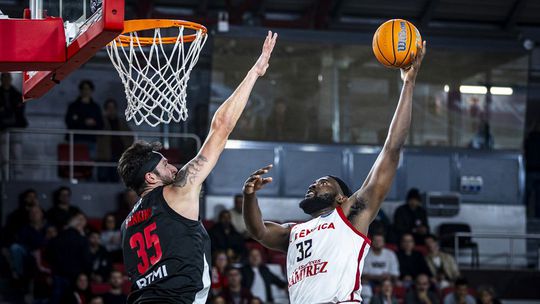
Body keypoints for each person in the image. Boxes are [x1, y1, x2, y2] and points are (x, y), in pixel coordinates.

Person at [242, 42, 426, 303]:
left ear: (342, 197)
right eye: (315, 183)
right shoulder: (294, 232)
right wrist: (249, 196)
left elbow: (391, 149)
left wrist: (408, 83)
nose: (314, 185)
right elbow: (258, 231)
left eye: (324, 183)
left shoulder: (351, 214)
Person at [117, 31, 278, 304]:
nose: (173, 168)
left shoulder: (127, 225)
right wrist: (255, 71)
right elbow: (221, 128)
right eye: (165, 165)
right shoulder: (177, 192)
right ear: (150, 177)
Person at [65, 80, 104, 158]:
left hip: (91, 140)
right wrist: (84, 122)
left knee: (90, 165)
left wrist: (93, 123)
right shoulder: (74, 106)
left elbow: (101, 124)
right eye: (84, 89)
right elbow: (69, 121)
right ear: (81, 90)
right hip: (76, 139)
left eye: (88, 89)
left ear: (91, 90)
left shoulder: (95, 107)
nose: (86, 91)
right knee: (76, 165)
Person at [97, 98, 133, 182]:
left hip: (119, 152)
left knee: (115, 178)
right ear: (106, 109)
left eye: (113, 108)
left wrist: (127, 147)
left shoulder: (121, 122)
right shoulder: (101, 121)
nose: (111, 110)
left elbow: (130, 136)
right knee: (103, 177)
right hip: (105, 153)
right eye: (109, 108)